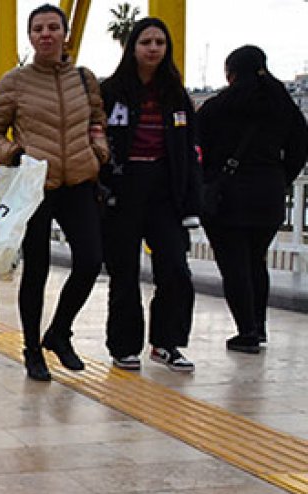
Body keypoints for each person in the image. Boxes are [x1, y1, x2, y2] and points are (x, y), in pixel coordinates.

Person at [0, 3, 110, 382]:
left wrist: (98, 151)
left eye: (54, 27)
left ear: (65, 34)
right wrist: (15, 154)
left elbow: (98, 122)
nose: (46, 34)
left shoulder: (84, 80)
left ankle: (59, 332)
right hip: (36, 187)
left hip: (80, 183)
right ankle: (32, 348)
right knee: (36, 270)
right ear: (30, 36)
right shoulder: (15, 82)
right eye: (38, 29)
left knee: (90, 260)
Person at [99, 18, 202, 373]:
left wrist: (191, 200)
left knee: (175, 268)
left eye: (160, 42)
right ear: (133, 48)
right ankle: (124, 345)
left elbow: (190, 151)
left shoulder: (175, 95)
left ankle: (167, 342)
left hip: (164, 192)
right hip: (123, 191)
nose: (153, 48)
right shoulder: (110, 92)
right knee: (124, 273)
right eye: (146, 42)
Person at [197, 45, 308, 353]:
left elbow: (197, 149)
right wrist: (279, 177)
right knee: (256, 261)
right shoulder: (283, 105)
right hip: (269, 194)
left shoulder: (217, 107)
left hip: (227, 197)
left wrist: (208, 181)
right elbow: (300, 147)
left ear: (231, 73)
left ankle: (246, 330)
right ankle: (258, 326)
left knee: (234, 265)